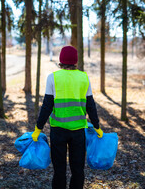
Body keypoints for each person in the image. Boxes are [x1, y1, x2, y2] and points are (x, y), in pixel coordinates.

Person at [32, 46, 103, 189]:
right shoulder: (84, 77)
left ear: (61, 60)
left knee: (59, 170)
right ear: (75, 61)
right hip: (78, 132)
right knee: (78, 170)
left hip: (58, 131)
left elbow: (47, 106)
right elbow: (91, 105)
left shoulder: (53, 77)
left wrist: (38, 129)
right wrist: (97, 126)